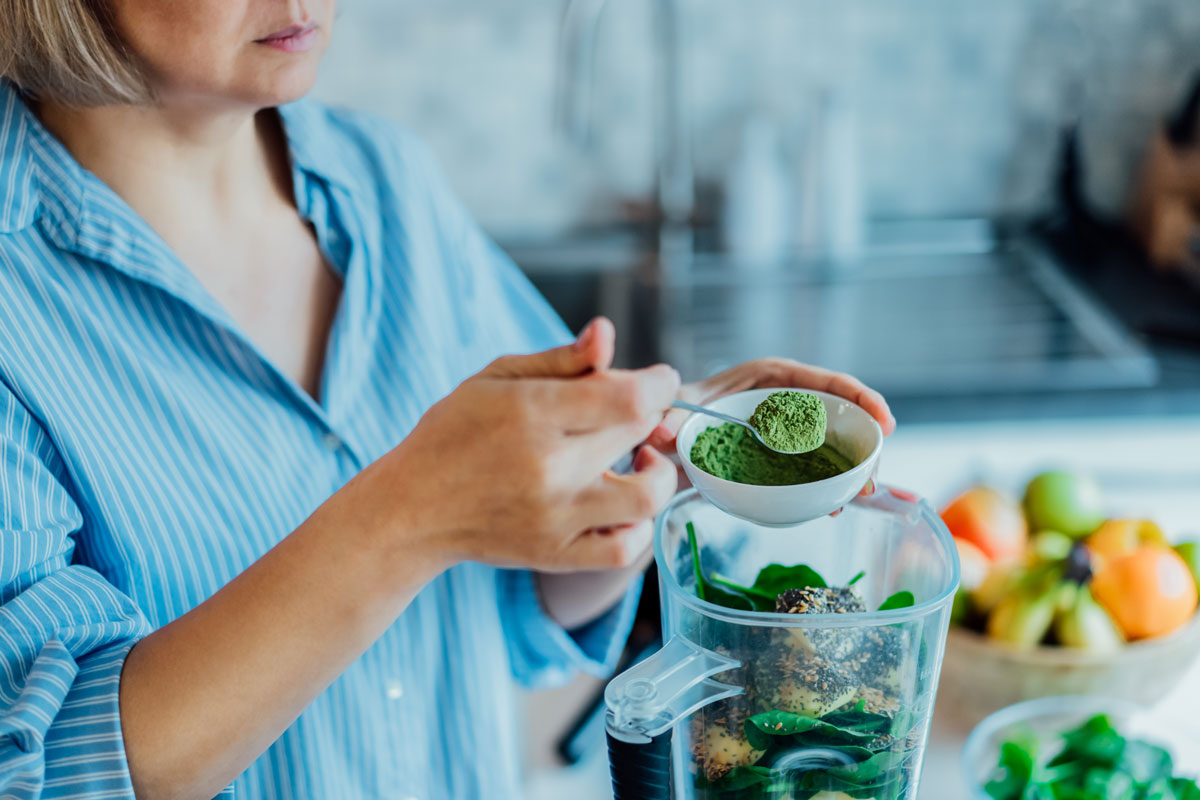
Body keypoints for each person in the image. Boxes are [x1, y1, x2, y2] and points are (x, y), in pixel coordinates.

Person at [0, 2, 895, 798]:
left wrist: (633, 471)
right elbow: (39, 771)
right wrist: (408, 517)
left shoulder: (389, 184)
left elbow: (512, 610)